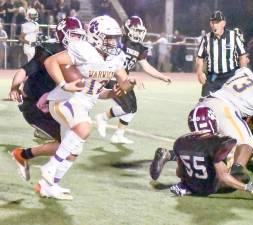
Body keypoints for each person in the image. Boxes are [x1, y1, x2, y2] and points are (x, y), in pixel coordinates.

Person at [38, 15, 140, 200]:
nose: (114, 42)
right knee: (85, 127)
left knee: (74, 150)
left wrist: (129, 84)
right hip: (66, 99)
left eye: (115, 37)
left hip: (82, 104)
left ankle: (48, 186)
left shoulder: (116, 58)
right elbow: (51, 61)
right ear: (96, 36)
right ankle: (50, 167)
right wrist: (63, 85)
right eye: (109, 37)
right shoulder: (83, 48)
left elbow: (119, 86)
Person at [150, 66, 253, 183]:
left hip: (205, 104)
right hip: (225, 109)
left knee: (207, 148)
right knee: (247, 142)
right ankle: (236, 173)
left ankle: (169, 154)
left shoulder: (243, 75)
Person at [9, 17, 86, 182]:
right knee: (70, 143)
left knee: (72, 141)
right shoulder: (49, 50)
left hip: (55, 105)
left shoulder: (77, 54)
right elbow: (25, 70)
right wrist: (15, 87)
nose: (77, 40)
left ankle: (25, 155)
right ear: (62, 34)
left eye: (79, 36)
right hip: (35, 106)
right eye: (73, 35)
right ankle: (29, 160)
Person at [95, 16, 171, 144]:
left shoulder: (140, 47)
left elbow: (146, 66)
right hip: (113, 77)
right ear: (127, 29)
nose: (138, 33)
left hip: (126, 79)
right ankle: (102, 117)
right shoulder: (119, 41)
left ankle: (118, 134)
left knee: (132, 108)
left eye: (140, 31)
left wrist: (161, 76)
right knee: (127, 107)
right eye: (135, 30)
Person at [166, 106, 253, 197]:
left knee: (215, 160)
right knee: (242, 176)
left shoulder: (181, 141)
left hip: (190, 182)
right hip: (209, 187)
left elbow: (179, 173)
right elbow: (223, 177)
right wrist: (250, 188)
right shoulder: (216, 142)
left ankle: (186, 187)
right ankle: (192, 190)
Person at [196, 10, 247, 97]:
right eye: (212, 22)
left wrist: (243, 73)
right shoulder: (206, 39)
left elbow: (242, 56)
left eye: (217, 22)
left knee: (236, 102)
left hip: (230, 76)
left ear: (223, 23)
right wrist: (199, 72)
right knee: (205, 102)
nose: (214, 25)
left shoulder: (233, 36)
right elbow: (199, 57)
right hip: (213, 77)